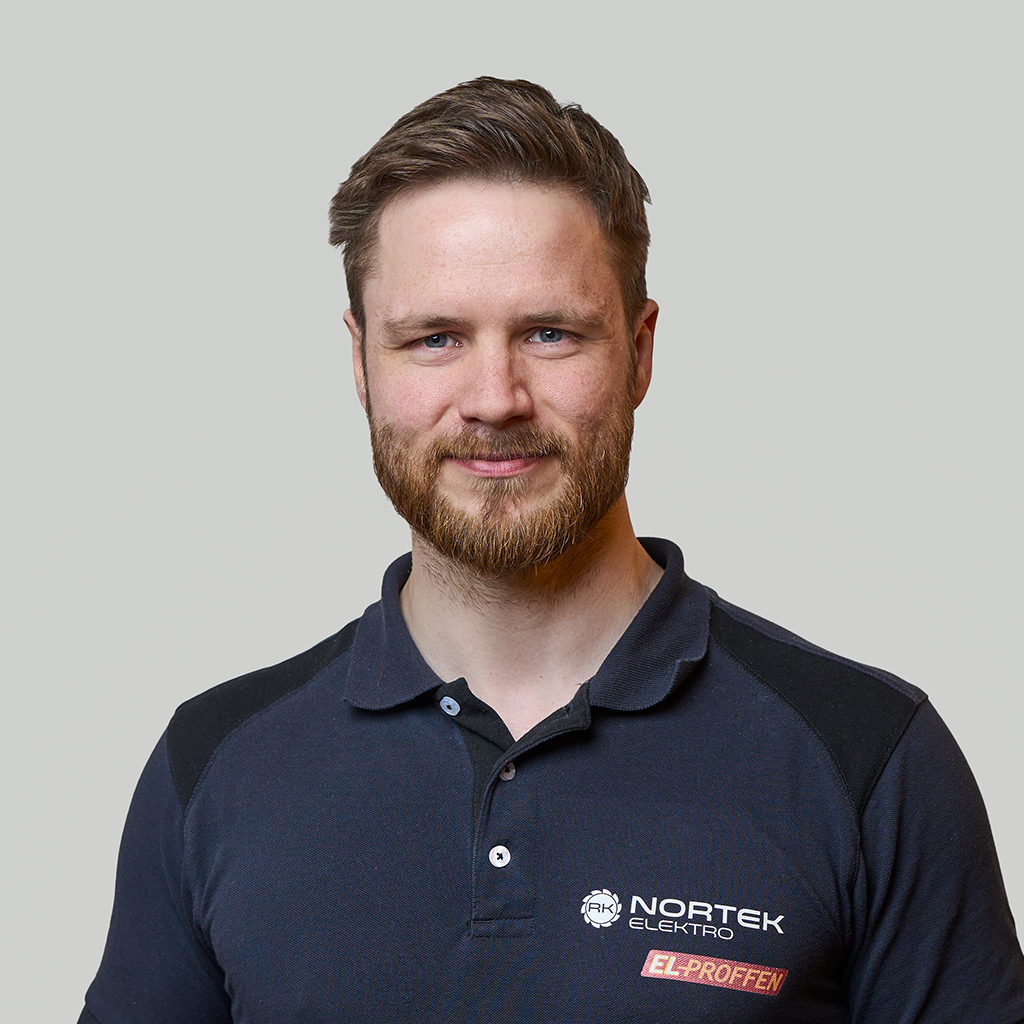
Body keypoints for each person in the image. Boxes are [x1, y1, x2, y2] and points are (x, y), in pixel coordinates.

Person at [78, 77, 1024, 1024]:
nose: (495, 398)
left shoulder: (868, 759)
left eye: (550, 333)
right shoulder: (213, 769)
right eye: (434, 339)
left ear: (640, 352)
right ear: (360, 362)